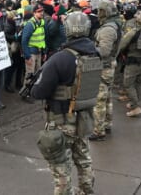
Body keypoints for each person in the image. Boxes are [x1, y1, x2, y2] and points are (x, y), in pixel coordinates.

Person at [31, 11, 100, 195]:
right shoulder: (95, 53)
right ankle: (87, 191)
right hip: (84, 117)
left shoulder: (60, 59)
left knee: (61, 169)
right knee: (84, 160)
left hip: (61, 121)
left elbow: (39, 92)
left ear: (67, 29)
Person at [89, 0, 122, 141]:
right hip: (109, 66)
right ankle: (107, 124)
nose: (98, 13)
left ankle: (98, 130)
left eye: (101, 11)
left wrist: (89, 48)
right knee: (107, 98)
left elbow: (103, 51)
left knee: (100, 100)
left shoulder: (108, 29)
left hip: (104, 67)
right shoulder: (113, 25)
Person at [118, 10, 141, 117]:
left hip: (132, 61)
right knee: (137, 83)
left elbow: (122, 45)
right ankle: (134, 102)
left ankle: (136, 107)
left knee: (128, 84)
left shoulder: (133, 32)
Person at [20, 4, 46, 103]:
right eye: (39, 11)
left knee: (37, 74)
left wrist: (44, 52)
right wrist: (27, 56)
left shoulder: (42, 22)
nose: (41, 13)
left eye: (42, 11)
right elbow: (24, 41)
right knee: (29, 74)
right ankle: (24, 94)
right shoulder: (30, 24)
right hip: (31, 53)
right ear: (34, 13)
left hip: (39, 52)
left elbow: (43, 38)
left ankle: (32, 92)